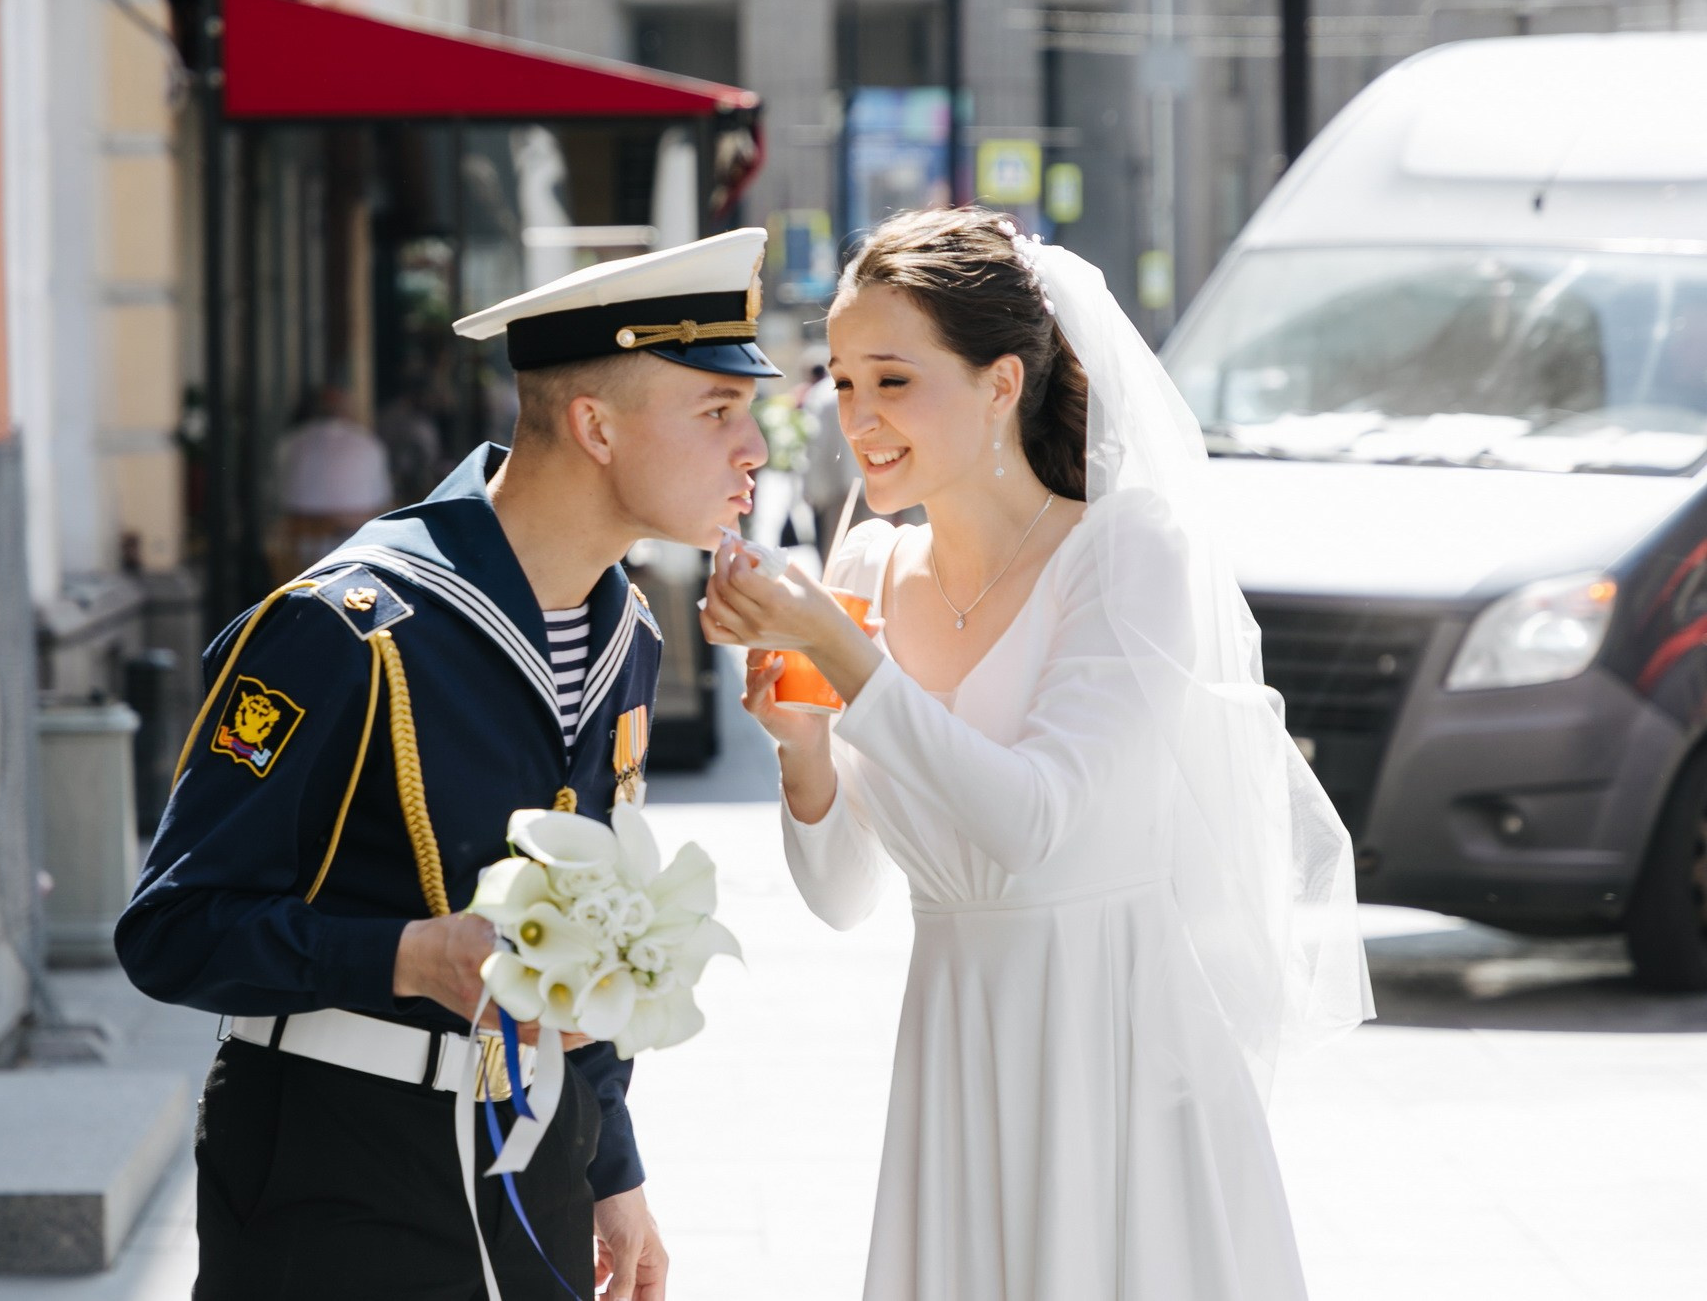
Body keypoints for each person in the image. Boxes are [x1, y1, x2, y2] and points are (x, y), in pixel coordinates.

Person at [700, 208, 1373, 1300]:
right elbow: (841, 895)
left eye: (893, 380)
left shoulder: (1123, 551)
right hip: (955, 1042)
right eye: (844, 381)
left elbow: (1032, 823)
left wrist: (838, 651)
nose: (858, 418)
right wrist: (800, 745)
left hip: (1111, 1043)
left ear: (1000, 384)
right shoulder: (864, 565)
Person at [117, 228, 777, 1301]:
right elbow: (170, 931)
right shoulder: (346, 625)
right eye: (717, 411)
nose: (753, 448)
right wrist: (408, 957)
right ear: (595, 425)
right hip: (330, 1178)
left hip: (537, 1162)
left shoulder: (629, 634)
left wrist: (611, 1170)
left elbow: (582, 932)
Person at [273, 382, 396, 579]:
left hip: (297, 557)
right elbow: (382, 504)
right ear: (348, 411)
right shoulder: (368, 443)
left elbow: (280, 496)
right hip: (354, 556)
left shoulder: (290, 442)